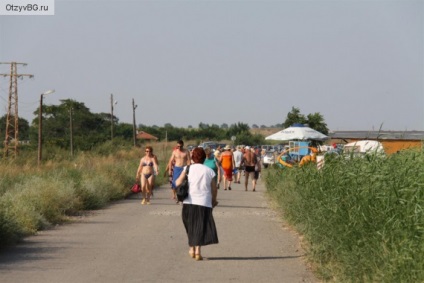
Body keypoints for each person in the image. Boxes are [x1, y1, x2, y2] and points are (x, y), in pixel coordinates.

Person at [176, 147, 219, 261]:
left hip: (189, 201)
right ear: (204, 158)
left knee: (190, 226)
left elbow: (177, 182)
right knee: (200, 226)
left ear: (193, 157)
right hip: (204, 202)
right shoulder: (209, 171)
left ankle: (191, 248)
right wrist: (214, 200)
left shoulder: (188, 168)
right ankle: (198, 252)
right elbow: (214, 189)